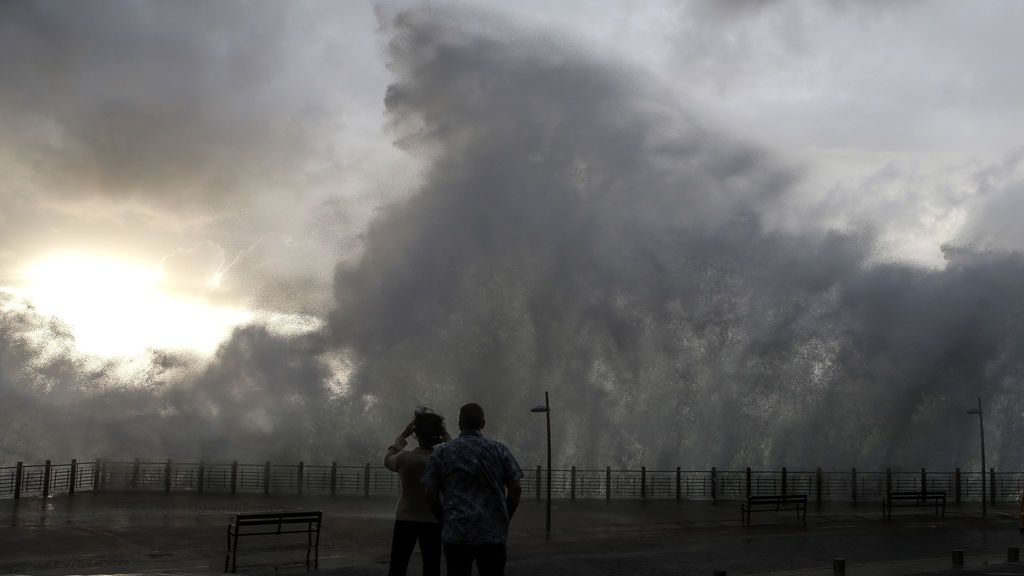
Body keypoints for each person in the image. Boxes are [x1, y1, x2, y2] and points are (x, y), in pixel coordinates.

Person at [422, 403, 523, 576]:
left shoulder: (442, 452)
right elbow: (516, 489)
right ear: (483, 424)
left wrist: (444, 519)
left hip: (456, 534)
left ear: (460, 424)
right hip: (492, 534)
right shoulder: (499, 450)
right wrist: (504, 517)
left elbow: (430, 493)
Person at [385, 409, 450, 576]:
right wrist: (443, 433)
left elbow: (388, 459)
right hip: (433, 519)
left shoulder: (404, 458)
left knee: (398, 566)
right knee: (431, 567)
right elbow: (453, 448)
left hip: (405, 518)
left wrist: (402, 436)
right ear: (438, 434)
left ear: (416, 433)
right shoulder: (442, 459)